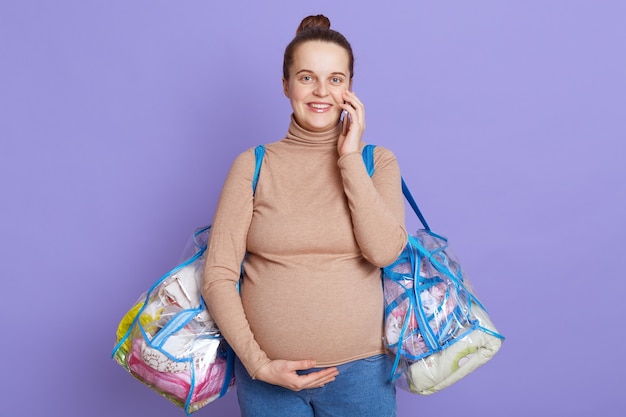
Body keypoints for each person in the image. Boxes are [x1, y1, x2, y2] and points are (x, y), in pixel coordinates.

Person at [202, 14, 408, 417]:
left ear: (350, 88)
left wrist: (348, 159)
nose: (321, 92)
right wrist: (258, 363)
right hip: (267, 378)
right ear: (286, 84)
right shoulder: (253, 164)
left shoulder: (376, 162)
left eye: (335, 79)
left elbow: (384, 251)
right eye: (306, 77)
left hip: (362, 375)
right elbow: (218, 275)